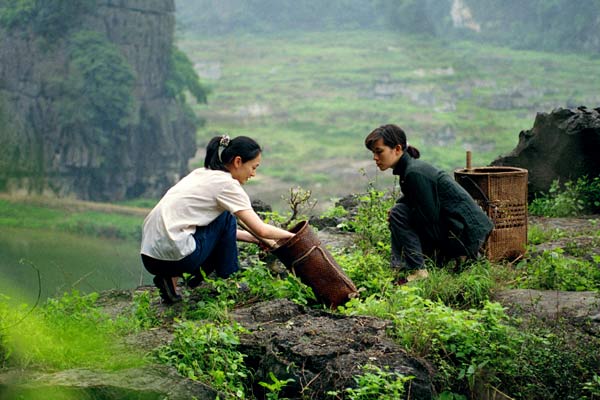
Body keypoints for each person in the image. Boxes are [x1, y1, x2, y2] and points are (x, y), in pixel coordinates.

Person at [140, 135, 294, 303]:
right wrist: (293, 237)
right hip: (178, 259)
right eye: (253, 167)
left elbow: (216, 232)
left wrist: (255, 240)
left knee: (190, 226)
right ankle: (230, 281)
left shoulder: (201, 174)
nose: (253, 174)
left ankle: (171, 285)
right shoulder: (228, 185)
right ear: (238, 161)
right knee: (227, 216)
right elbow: (261, 229)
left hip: (150, 258)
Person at [364, 124, 493, 283]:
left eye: (379, 151)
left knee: (399, 214)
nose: (375, 158)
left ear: (397, 149)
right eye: (373, 153)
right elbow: (413, 199)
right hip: (459, 230)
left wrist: (400, 221)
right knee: (398, 211)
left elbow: (428, 217)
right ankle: (402, 266)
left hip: (466, 235)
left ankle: (417, 269)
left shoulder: (414, 173)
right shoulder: (409, 170)